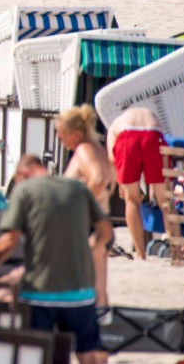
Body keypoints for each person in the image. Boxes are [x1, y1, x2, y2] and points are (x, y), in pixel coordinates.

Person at [0, 155, 111, 364]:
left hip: (39, 293)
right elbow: (105, 230)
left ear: (22, 174)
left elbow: (10, 239)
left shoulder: (25, 190)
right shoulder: (77, 189)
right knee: (88, 353)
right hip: (80, 291)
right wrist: (92, 246)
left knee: (37, 353)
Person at [57, 104, 116, 306]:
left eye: (62, 132)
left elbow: (99, 178)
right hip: (100, 223)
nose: (59, 137)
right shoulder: (95, 148)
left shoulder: (84, 150)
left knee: (86, 291)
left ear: (76, 133)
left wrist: (79, 207)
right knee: (99, 292)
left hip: (89, 226)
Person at [106, 107, 173, 260]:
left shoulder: (115, 127)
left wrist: (121, 184)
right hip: (153, 134)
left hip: (127, 139)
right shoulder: (150, 114)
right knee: (165, 202)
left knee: (132, 201)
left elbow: (112, 157)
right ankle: (175, 250)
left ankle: (141, 254)